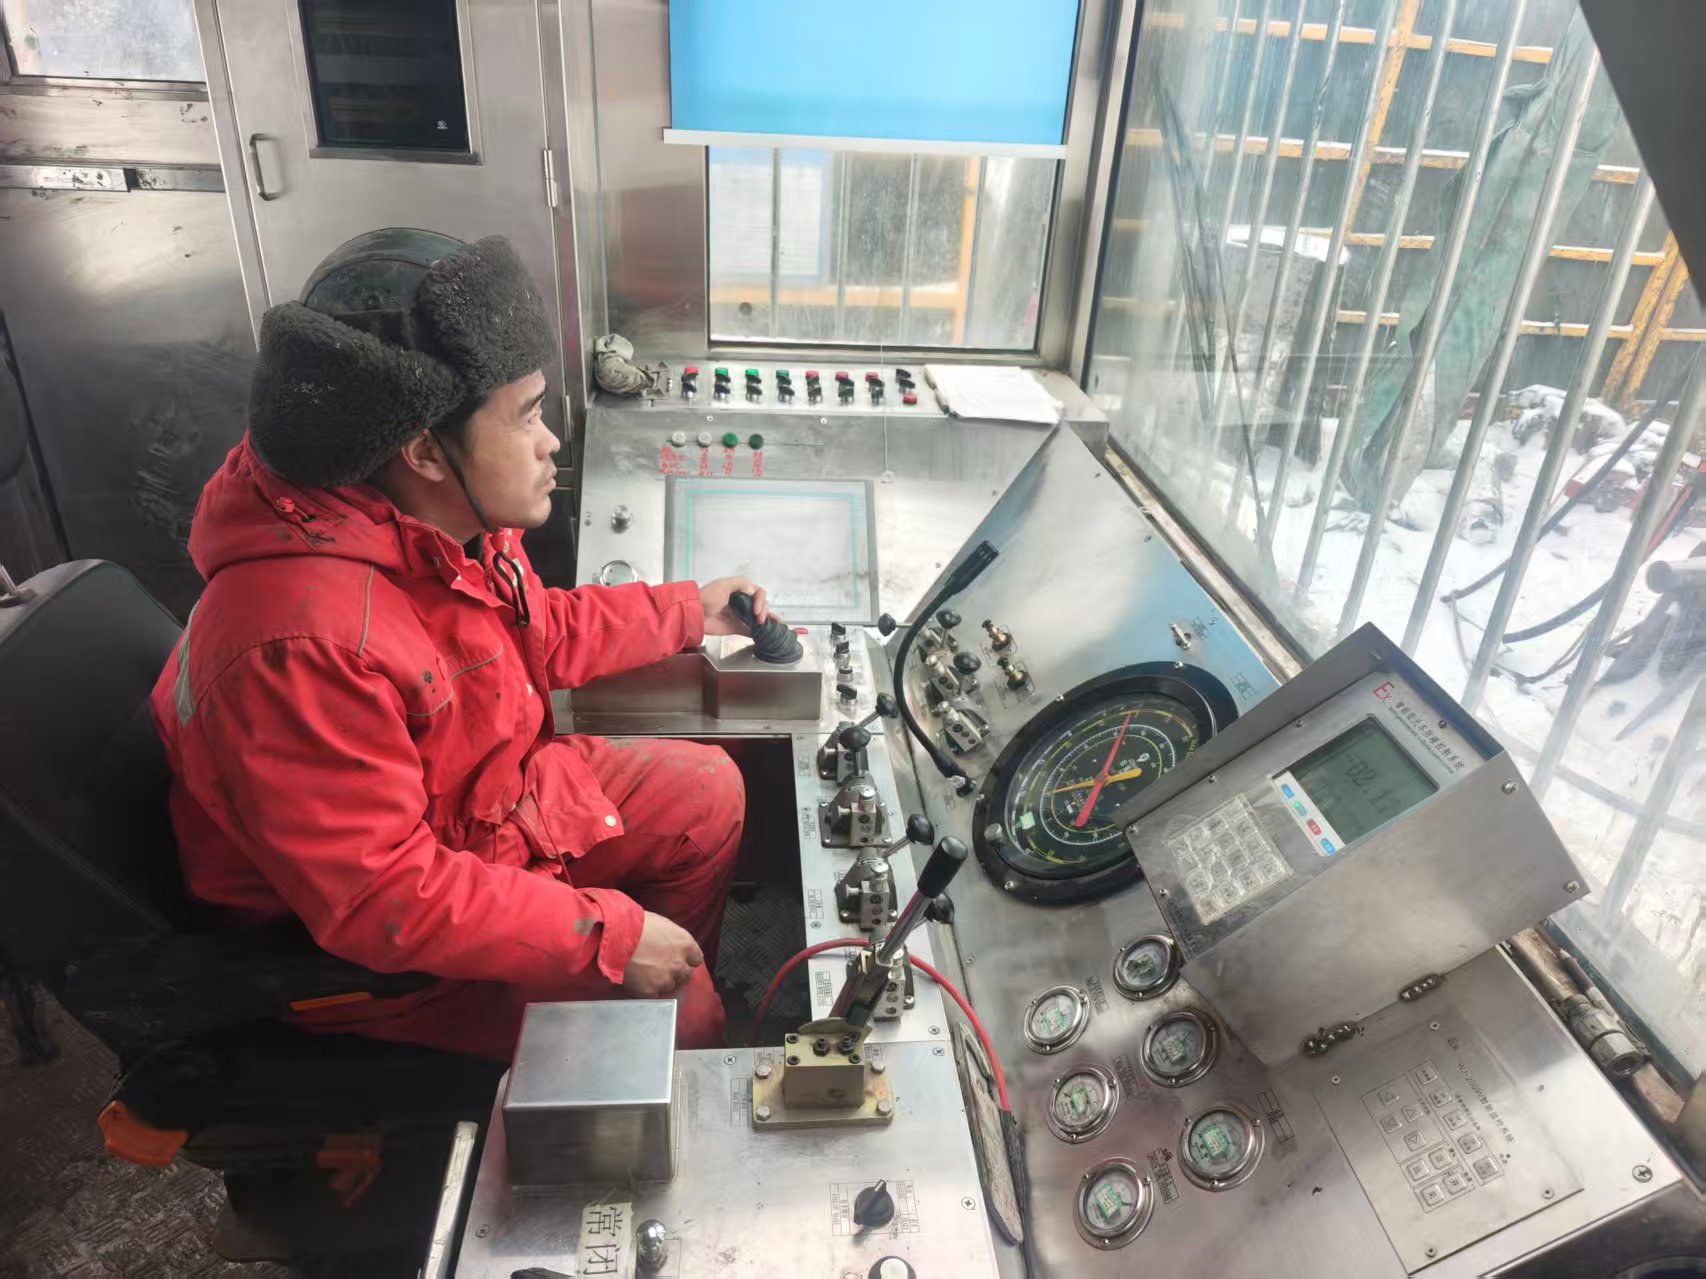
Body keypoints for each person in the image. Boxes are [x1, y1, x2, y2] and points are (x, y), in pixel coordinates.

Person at [150, 228, 766, 1060]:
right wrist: (607, 937)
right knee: (682, 1015)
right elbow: (385, 897)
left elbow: (532, 627)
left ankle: (651, 1011)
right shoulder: (299, 644)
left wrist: (690, 611)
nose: (551, 442)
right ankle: (655, 1039)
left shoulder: (431, 523)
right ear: (422, 450)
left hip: (486, 813)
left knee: (706, 794)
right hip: (379, 958)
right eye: (528, 417)